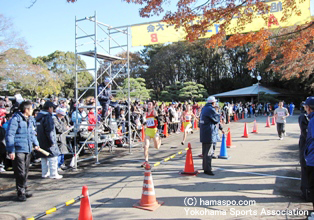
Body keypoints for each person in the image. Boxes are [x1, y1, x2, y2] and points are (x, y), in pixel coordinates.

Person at [5, 101, 40, 201]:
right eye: (31, 109)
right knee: (20, 172)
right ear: (26, 110)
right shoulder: (16, 119)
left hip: (27, 149)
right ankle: (20, 192)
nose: (32, 110)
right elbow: (10, 135)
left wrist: (36, 144)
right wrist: (11, 150)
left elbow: (32, 133)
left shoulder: (30, 119)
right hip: (18, 149)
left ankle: (24, 189)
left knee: (26, 171)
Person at [36, 101, 62, 179]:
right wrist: (52, 141)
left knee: (43, 157)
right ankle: (53, 174)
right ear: (49, 108)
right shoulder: (48, 117)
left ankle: (45, 173)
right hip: (48, 140)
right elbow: (50, 131)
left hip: (40, 139)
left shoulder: (39, 116)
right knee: (52, 157)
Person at [199, 96, 220, 176]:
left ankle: (205, 167)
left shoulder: (204, 108)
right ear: (213, 102)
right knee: (209, 152)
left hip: (204, 133)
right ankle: (207, 169)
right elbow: (216, 119)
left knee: (205, 152)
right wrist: (217, 112)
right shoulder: (211, 109)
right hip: (209, 133)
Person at [142, 101, 161, 167]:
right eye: (148, 104)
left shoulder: (154, 112)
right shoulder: (146, 113)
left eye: (150, 104)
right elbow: (148, 121)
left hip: (154, 130)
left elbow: (158, 120)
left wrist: (159, 128)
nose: (149, 105)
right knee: (146, 146)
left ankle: (159, 140)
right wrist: (144, 124)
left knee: (156, 147)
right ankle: (146, 161)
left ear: (152, 106)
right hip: (148, 130)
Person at [304, 97, 314, 209]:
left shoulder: (313, 120)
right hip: (311, 157)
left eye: (306, 106)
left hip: (312, 159)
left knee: (312, 187)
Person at [299, 100, 310, 201]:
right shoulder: (304, 117)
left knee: (306, 171)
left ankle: (306, 193)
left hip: (308, 151)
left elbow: (305, 134)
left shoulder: (304, 117)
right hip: (308, 150)